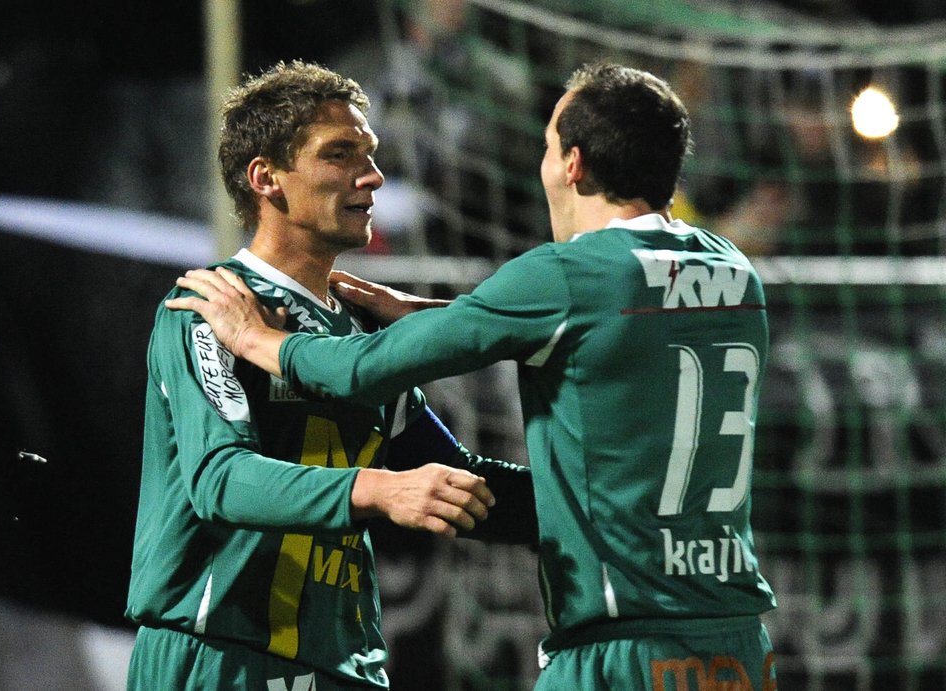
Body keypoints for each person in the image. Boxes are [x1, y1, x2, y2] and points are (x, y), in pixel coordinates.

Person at [168, 61, 779, 690]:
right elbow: (605, 329)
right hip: (738, 644)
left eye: (547, 147)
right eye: (341, 154)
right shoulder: (734, 271)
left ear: (572, 164)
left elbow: (361, 371)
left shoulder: (567, 275)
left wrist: (258, 339)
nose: (372, 176)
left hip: (624, 643)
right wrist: (449, 324)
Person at [125, 60, 536, 691]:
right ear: (266, 178)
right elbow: (218, 479)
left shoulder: (360, 331)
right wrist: (381, 489)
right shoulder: (212, 307)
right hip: (223, 656)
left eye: (369, 155)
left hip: (341, 663)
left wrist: (597, 506)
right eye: (339, 155)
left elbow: (454, 480)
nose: (372, 176)